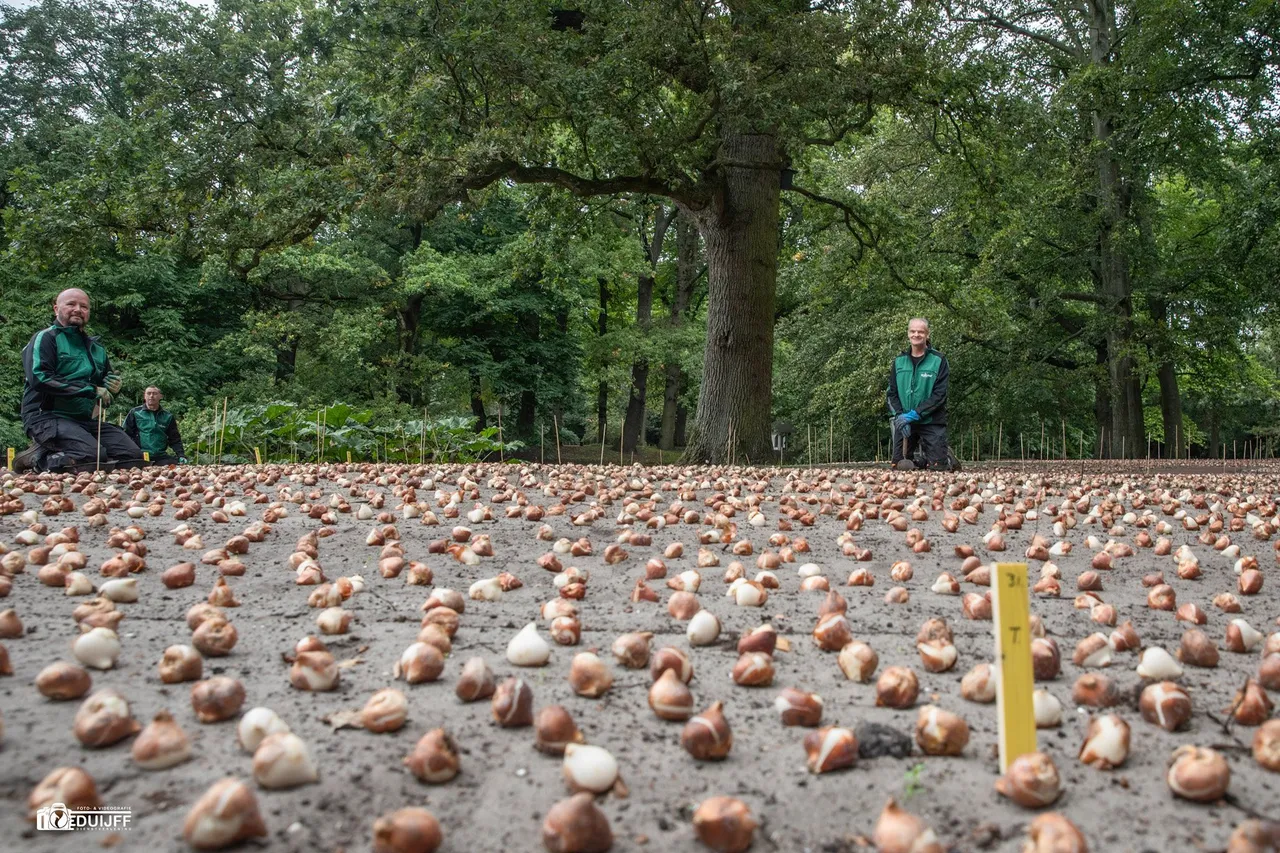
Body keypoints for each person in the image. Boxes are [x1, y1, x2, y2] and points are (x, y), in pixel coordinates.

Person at [15, 288, 143, 472]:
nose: (78, 309)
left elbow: (103, 388)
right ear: (56, 309)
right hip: (45, 417)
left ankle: (82, 453)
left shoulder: (97, 349)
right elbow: (40, 378)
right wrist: (91, 390)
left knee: (133, 456)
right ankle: (37, 457)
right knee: (92, 456)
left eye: (84, 306)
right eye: (71, 304)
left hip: (83, 420)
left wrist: (114, 387)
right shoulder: (45, 338)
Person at [887, 317, 955, 470]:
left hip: (931, 421)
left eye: (920, 331)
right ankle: (921, 460)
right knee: (898, 467)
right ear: (908, 333)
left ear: (927, 334)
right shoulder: (899, 361)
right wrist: (900, 416)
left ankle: (946, 458)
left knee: (938, 468)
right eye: (913, 331)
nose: (916, 334)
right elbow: (891, 393)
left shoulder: (939, 360)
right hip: (905, 422)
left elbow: (940, 395)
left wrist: (915, 413)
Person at [124, 386, 187, 465]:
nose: (151, 396)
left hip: (160, 456)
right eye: (148, 393)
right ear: (144, 396)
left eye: (154, 393)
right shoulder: (135, 412)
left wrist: (181, 455)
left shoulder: (167, 416)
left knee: (174, 468)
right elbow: (125, 434)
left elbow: (175, 438)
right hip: (140, 456)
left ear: (160, 396)